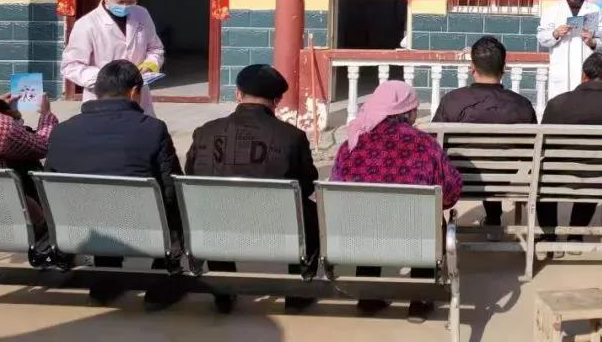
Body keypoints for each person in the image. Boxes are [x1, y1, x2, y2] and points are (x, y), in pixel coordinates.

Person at [45, 59, 183, 310]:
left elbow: (49, 187)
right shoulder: (152, 129)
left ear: (97, 91)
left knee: (97, 199)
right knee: (176, 204)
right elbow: (171, 188)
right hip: (142, 228)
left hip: (81, 229)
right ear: (134, 92)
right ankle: (163, 276)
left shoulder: (62, 131)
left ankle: (107, 278)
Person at [186, 64, 320, 314]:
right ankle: (297, 291)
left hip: (216, 223)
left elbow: (191, 176)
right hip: (276, 224)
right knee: (310, 212)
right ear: (277, 100)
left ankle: (224, 288)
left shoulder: (205, 132)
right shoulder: (292, 136)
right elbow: (306, 182)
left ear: (238, 94)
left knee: (209, 203)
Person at [331, 80, 462, 324]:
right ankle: (419, 300)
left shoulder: (352, 144)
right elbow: (451, 192)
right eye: (415, 109)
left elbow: (336, 191)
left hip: (361, 235)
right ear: (408, 113)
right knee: (428, 218)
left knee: (365, 213)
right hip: (416, 237)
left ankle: (368, 296)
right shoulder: (426, 145)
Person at [538, 53, 602, 251]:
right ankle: (575, 236)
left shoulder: (558, 104)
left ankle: (548, 237)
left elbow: (542, 148)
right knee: (595, 171)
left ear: (584, 75)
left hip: (559, 178)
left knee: (544, 172)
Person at [433, 36, 536, 230]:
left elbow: (434, 145)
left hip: (462, 179)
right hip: (507, 179)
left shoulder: (452, 101)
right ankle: (493, 219)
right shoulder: (522, 105)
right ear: (504, 68)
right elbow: (530, 151)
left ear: (472, 67)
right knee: (497, 161)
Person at [61, 0, 164, 116]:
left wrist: (150, 64)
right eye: (120, 1)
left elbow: (155, 48)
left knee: (142, 129)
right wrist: (109, 80)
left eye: (131, 1)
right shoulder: (86, 24)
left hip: (137, 97)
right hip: (102, 100)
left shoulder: (141, 14)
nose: (125, 7)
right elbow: (71, 66)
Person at [537, 0, 602, 100]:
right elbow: (541, 38)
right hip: (561, 74)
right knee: (561, 107)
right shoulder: (553, 11)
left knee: (584, 107)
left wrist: (592, 41)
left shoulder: (595, 11)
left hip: (586, 71)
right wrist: (555, 34)